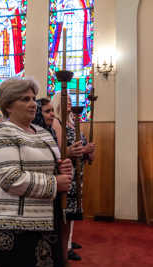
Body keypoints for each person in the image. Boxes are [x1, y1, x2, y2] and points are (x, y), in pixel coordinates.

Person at [0, 76, 73, 267]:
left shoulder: (42, 132)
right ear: (8, 105)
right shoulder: (2, 131)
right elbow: (9, 178)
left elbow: (54, 167)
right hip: (14, 225)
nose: (33, 103)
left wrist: (64, 168)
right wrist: (55, 182)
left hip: (48, 220)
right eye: (25, 99)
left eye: (33, 98)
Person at [51, 92, 95, 265]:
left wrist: (86, 155)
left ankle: (67, 244)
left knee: (71, 214)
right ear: (58, 101)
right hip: (66, 174)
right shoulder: (56, 121)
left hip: (77, 174)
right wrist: (83, 151)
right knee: (65, 215)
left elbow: (78, 148)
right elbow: (61, 151)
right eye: (66, 99)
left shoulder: (71, 122)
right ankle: (63, 254)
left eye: (70, 99)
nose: (69, 102)